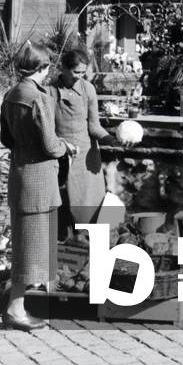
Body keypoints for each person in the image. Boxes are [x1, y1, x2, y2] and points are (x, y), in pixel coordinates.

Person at [0, 40, 76, 331]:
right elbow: (48, 143)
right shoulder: (37, 97)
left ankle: (17, 304)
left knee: (24, 245)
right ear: (41, 67)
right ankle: (15, 309)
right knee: (30, 248)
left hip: (20, 175)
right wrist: (65, 147)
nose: (48, 73)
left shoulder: (11, 95)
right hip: (39, 179)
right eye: (47, 68)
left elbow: (7, 139)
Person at [50, 47, 116, 232]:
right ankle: (66, 246)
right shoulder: (50, 92)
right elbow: (46, 128)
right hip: (60, 155)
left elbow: (94, 126)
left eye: (82, 72)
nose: (79, 76)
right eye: (75, 72)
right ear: (63, 68)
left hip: (87, 158)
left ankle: (87, 245)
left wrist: (111, 139)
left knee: (90, 206)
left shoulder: (88, 89)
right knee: (62, 204)